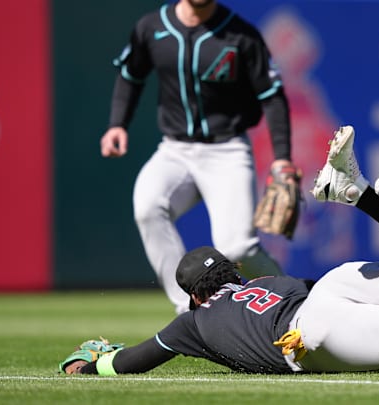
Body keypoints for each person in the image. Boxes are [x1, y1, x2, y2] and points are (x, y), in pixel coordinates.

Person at [62, 125, 379, 375]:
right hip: (324, 290)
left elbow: (131, 362)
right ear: (235, 273)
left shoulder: (191, 323)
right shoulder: (269, 281)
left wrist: (95, 364)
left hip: (310, 336)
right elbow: (328, 288)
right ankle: (361, 195)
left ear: (194, 297)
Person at [99, 0, 297, 313]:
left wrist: (282, 157)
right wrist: (117, 125)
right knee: (149, 208)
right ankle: (189, 311)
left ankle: (292, 303)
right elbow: (130, 74)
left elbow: (272, 97)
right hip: (174, 150)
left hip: (227, 150)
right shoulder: (152, 27)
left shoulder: (242, 35)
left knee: (238, 248)